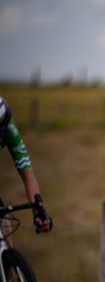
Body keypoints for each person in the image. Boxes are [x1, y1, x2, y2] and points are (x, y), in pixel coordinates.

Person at [0, 95, 52, 236]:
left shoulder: (10, 130)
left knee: (4, 224)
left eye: (1, 131)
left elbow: (27, 171)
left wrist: (38, 210)